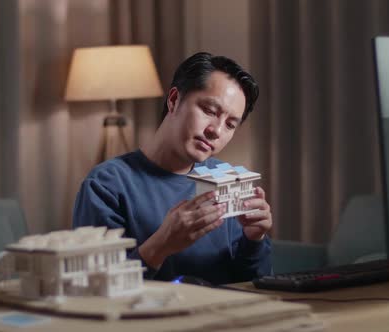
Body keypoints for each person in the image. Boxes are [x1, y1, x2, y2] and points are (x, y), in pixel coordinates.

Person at [72, 52, 272, 284]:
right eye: (209, 110)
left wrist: (254, 239)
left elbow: (258, 285)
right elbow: (95, 289)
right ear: (174, 100)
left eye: (230, 124)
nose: (216, 131)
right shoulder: (107, 184)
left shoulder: (227, 179)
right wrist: (162, 244)